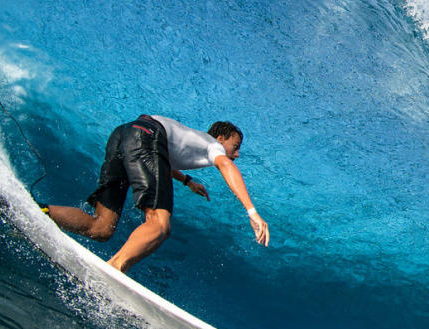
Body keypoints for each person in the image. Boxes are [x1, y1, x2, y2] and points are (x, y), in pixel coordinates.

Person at [44, 115, 269, 272]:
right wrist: (252, 212)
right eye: (236, 146)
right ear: (221, 138)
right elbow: (227, 166)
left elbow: (157, 160)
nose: (237, 153)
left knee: (102, 228)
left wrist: (187, 181)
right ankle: (114, 267)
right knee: (160, 224)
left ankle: (43, 211)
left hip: (124, 133)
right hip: (148, 134)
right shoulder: (214, 146)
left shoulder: (189, 139)